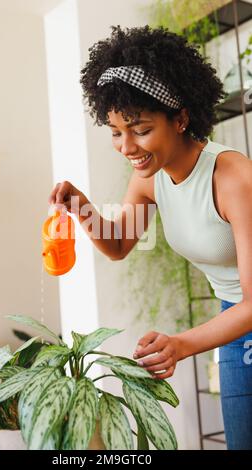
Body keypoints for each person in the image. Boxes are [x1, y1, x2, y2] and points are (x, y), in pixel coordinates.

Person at [48, 25, 252, 450]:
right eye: (116, 132)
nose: (126, 147)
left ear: (180, 118)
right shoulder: (150, 178)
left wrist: (180, 343)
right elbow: (120, 244)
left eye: (139, 129)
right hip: (234, 319)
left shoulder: (232, 178)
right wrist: (81, 206)